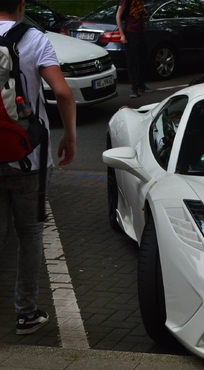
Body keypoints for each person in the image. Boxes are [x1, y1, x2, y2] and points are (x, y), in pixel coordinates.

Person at [1, 0, 77, 334]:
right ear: (21, 4)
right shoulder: (34, 39)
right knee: (29, 235)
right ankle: (26, 314)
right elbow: (61, 92)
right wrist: (70, 136)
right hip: (26, 155)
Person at [116, 0, 153, 98]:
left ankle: (140, 84)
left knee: (144, 57)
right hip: (130, 31)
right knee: (132, 60)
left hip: (141, 31)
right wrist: (122, 34)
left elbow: (141, 9)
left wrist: (144, 14)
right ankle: (134, 88)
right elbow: (118, 16)